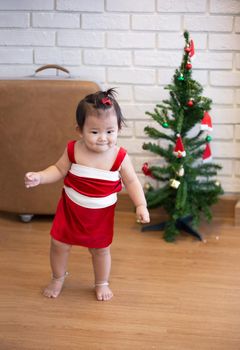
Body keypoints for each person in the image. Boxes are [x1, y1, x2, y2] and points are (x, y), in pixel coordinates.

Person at [24, 88, 150, 301]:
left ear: (118, 128)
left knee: (100, 250)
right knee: (58, 244)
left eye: (110, 132)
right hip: (70, 210)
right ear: (79, 130)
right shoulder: (73, 150)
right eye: (94, 132)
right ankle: (57, 277)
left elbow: (132, 181)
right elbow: (58, 169)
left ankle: (102, 282)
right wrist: (40, 176)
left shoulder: (119, 156)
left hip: (99, 216)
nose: (103, 138)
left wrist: (140, 205)